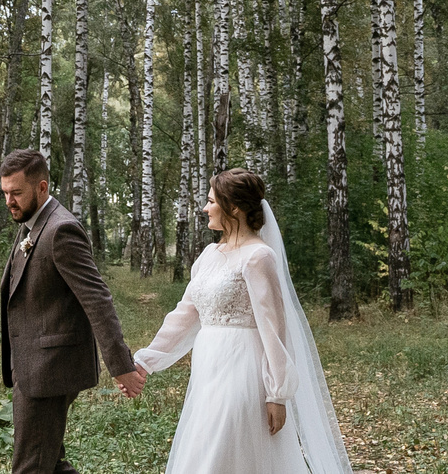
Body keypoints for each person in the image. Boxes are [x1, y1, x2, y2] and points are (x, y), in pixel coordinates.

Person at [133, 169, 355, 474]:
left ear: (233, 208)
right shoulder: (210, 254)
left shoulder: (258, 257)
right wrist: (146, 360)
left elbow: (274, 328)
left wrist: (277, 393)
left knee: (224, 448)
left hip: (243, 369)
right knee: (204, 446)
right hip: (208, 369)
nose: (204, 208)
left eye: (211, 201)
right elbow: (185, 315)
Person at [0, 148, 145, 474]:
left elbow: (97, 299)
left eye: (16, 193)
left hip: (48, 370)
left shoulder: (60, 230)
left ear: (42, 188)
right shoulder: (32, 224)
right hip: (31, 367)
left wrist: (121, 364)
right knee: (51, 464)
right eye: (5, 192)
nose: (9, 201)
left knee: (31, 467)